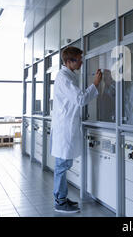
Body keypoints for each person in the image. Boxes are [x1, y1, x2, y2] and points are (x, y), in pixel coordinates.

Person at [51, 46, 102, 213]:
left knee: (64, 163)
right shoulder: (64, 78)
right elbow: (80, 99)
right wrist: (95, 84)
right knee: (61, 165)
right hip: (64, 127)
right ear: (68, 61)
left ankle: (62, 198)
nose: (81, 61)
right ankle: (59, 201)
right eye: (78, 59)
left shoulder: (70, 76)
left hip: (67, 126)